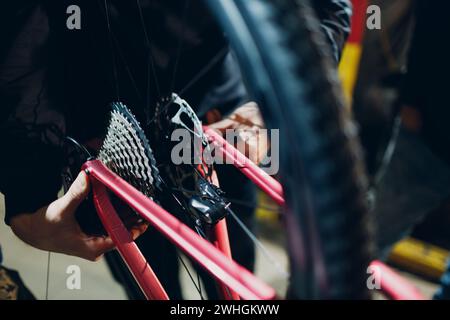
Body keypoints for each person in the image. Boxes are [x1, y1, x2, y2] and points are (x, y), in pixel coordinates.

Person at [0, 0, 352, 299]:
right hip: (111, 134)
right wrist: (28, 197)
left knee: (233, 277)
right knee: (150, 283)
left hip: (221, 113)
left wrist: (272, 107)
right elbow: (23, 33)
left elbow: (325, 7)